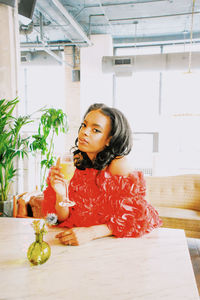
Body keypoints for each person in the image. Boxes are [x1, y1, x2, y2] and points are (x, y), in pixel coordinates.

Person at [42, 103, 162, 246]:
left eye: (96, 130)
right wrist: (61, 194)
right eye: (84, 125)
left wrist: (91, 233)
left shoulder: (118, 165)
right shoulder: (70, 162)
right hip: (78, 242)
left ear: (109, 139)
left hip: (119, 242)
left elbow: (136, 215)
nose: (84, 132)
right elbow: (59, 219)